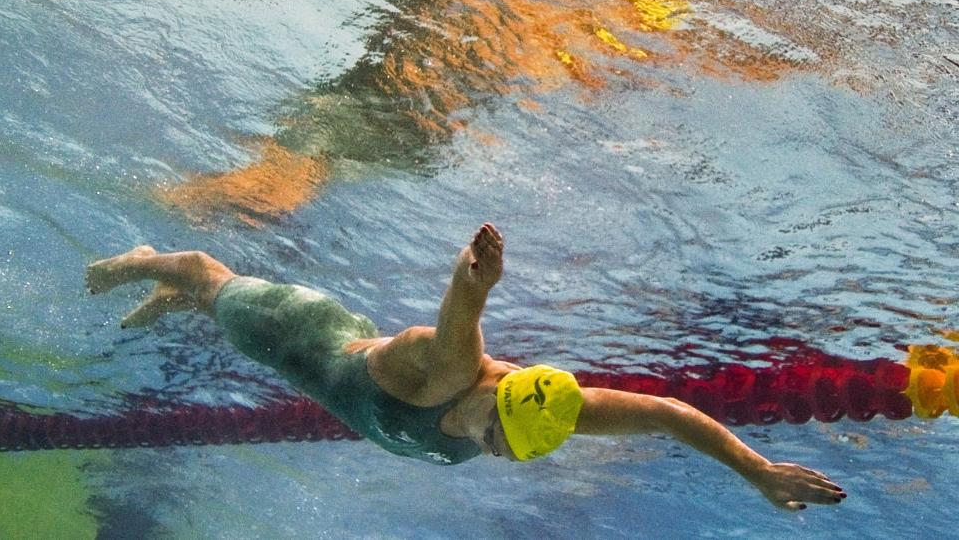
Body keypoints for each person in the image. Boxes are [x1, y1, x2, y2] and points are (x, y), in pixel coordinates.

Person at [86, 223, 845, 511]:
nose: (495, 453)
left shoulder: (553, 409)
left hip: (326, 386)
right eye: (492, 439)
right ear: (496, 397)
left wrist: (757, 472)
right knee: (210, 281)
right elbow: (460, 319)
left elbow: (670, 416)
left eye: (507, 454)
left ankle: (177, 296)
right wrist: (473, 279)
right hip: (301, 334)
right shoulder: (451, 372)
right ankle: (154, 263)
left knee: (206, 310)